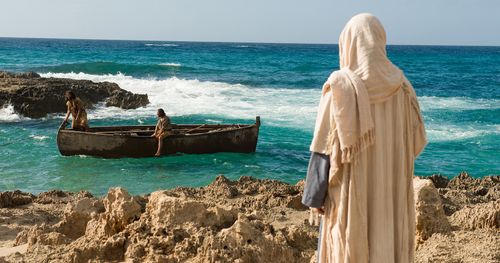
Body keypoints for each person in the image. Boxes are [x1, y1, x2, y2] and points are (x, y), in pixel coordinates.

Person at [302, 13, 427, 263]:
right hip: (389, 193)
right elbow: (417, 141)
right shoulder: (402, 88)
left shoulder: (340, 88)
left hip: (351, 192)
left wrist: (315, 197)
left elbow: (323, 146)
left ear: (348, 43)